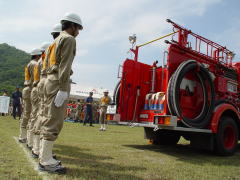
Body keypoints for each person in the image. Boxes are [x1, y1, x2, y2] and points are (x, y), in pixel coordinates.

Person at [39, 12, 83, 174]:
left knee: (47, 117)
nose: (78, 32)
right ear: (72, 26)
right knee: (54, 120)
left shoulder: (55, 41)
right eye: (78, 28)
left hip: (49, 80)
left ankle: (45, 156)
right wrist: (64, 89)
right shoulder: (69, 39)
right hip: (57, 81)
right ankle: (46, 160)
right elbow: (65, 65)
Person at [18, 48, 42, 143]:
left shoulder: (29, 64)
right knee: (30, 113)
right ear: (37, 56)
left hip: (27, 89)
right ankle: (24, 136)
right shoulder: (34, 64)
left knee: (27, 113)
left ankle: (24, 135)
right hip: (30, 89)